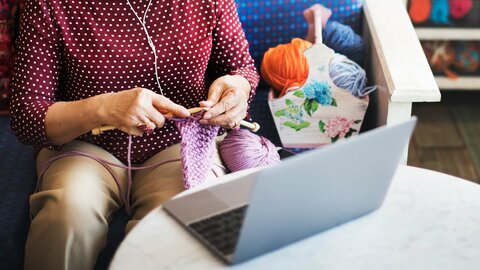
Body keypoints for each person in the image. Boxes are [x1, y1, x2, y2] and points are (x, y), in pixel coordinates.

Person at [9, 0, 259, 269]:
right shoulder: (49, 5)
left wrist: (238, 88)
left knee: (178, 224)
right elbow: (26, 115)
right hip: (85, 143)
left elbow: (242, 69)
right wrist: (104, 107)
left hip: (180, 141)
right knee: (67, 214)